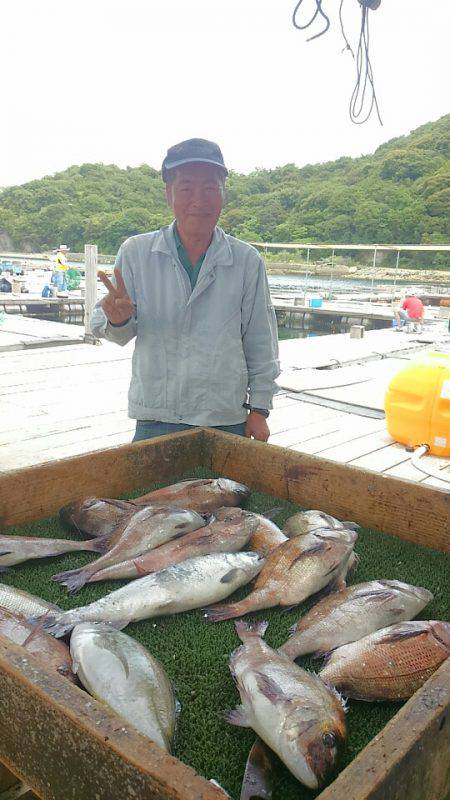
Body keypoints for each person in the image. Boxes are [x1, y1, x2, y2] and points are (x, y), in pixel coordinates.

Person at [91, 138, 280, 443]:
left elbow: (261, 341)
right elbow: (110, 330)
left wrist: (259, 409)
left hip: (225, 416)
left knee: (226, 492)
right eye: (186, 187)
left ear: (223, 193)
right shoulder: (136, 252)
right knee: (147, 492)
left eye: (209, 188)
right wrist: (118, 320)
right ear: (169, 194)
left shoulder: (247, 261)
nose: (199, 200)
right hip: (156, 415)